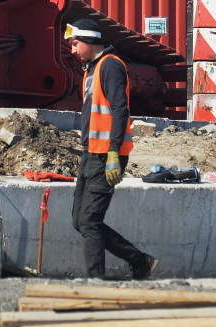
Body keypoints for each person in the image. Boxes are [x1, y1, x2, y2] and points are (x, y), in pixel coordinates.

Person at [67, 17, 159, 280]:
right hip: (91, 152)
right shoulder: (91, 69)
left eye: (75, 44)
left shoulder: (110, 66)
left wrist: (113, 154)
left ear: (89, 41)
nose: (72, 49)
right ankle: (140, 260)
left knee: (89, 221)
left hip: (106, 154)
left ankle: (95, 282)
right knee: (79, 221)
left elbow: (121, 110)